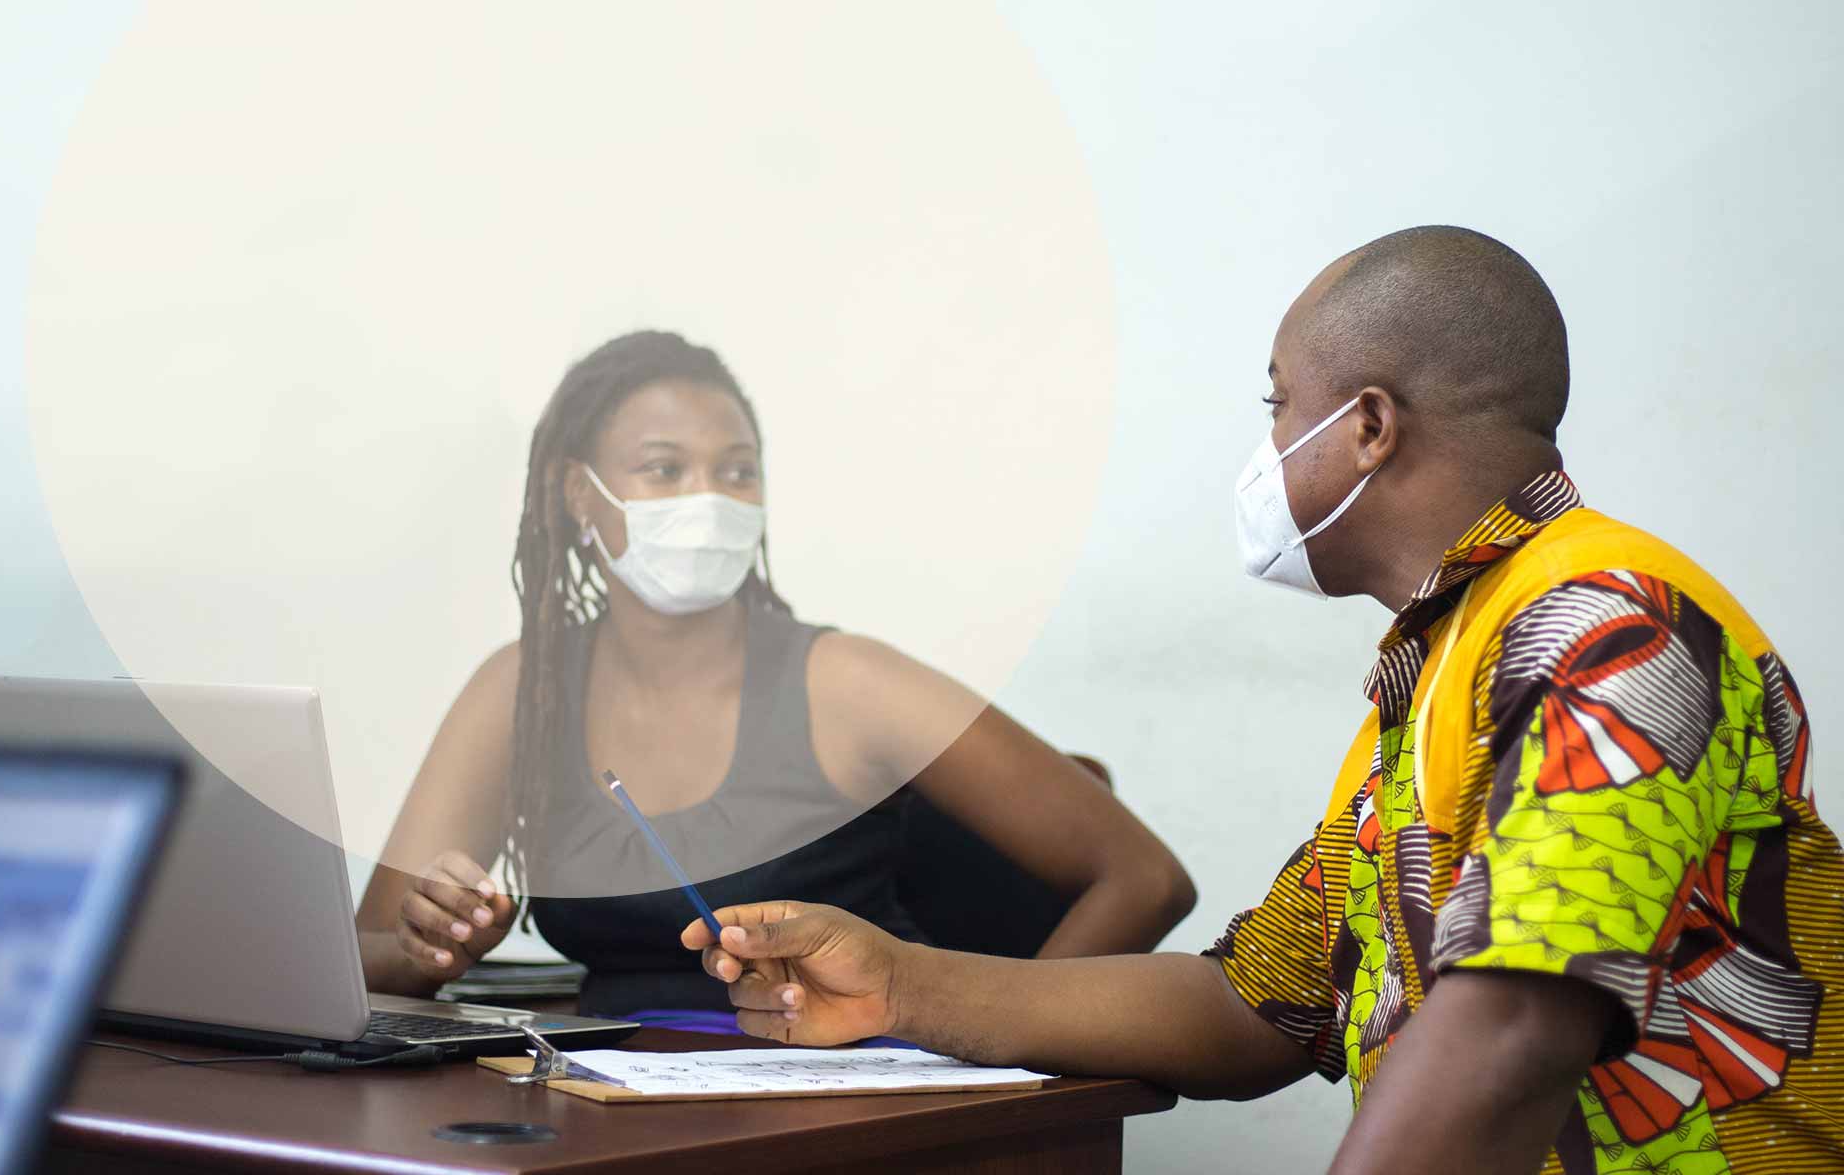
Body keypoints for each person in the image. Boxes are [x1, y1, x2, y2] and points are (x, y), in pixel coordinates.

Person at [678, 228, 1844, 1175]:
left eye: (1281, 405)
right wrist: (899, 984)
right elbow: (1252, 1007)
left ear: (1371, 428)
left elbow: (1514, 1028)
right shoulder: (1442, 666)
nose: (1269, 446)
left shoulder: (1603, 625)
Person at [356, 331, 1195, 1022]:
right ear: (579, 493)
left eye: (736, 471)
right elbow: (363, 958)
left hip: (846, 1112)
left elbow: (1144, 880)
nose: (709, 499)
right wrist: (428, 951)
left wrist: (980, 1033)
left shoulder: (848, 683)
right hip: (599, 1114)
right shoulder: (521, 690)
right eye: (663, 469)